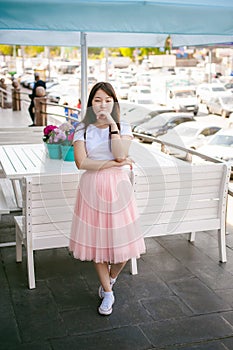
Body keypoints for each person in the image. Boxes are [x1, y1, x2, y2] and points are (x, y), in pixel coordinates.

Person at [69, 82, 145, 316]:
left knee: (124, 247)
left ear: (114, 103)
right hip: (92, 188)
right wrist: (112, 164)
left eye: (108, 100)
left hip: (119, 189)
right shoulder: (82, 128)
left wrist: (112, 123)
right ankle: (107, 292)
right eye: (98, 100)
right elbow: (82, 163)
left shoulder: (124, 126)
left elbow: (121, 153)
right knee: (97, 245)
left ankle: (110, 280)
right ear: (91, 103)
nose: (103, 104)